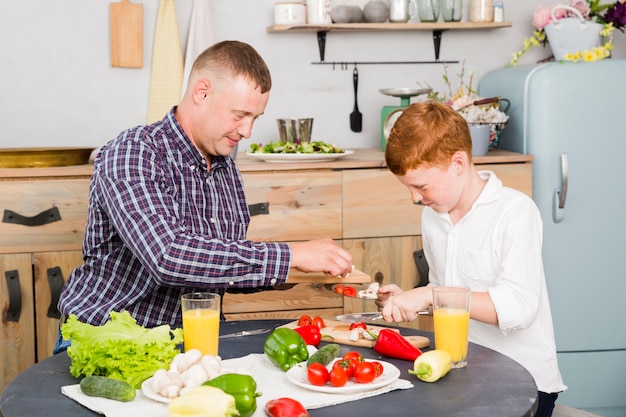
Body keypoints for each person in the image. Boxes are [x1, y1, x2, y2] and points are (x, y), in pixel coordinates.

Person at [55, 40, 353, 350]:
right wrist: (292, 255)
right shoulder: (134, 152)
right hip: (105, 337)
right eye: (239, 115)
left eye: (256, 118)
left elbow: (215, 267)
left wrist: (300, 270)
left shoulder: (225, 169)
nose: (247, 131)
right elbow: (168, 256)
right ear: (202, 92)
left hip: (189, 342)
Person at [377, 101, 566, 417]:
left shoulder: (515, 212)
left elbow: (520, 307)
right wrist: (412, 300)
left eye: (420, 186)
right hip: (463, 371)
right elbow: (446, 290)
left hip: (525, 381)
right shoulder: (433, 216)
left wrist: (430, 295)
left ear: (458, 164)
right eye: (408, 188)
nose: (414, 198)